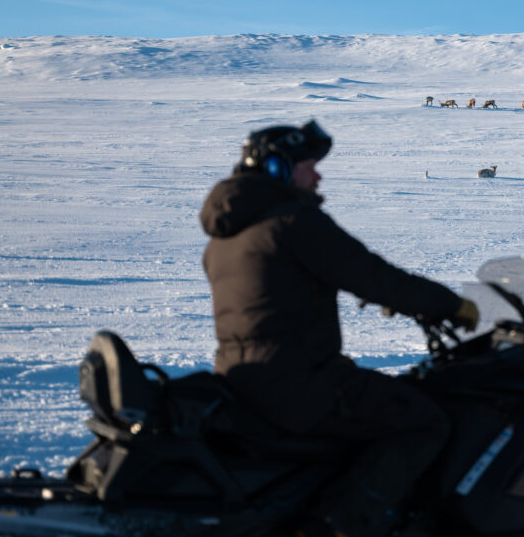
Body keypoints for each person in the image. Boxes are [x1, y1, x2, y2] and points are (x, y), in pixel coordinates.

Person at [199, 120, 479, 537]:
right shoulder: (292, 222)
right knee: (424, 420)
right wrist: (452, 306)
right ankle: (338, 526)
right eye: (308, 166)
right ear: (277, 169)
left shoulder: (225, 238)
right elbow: (372, 275)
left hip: (244, 382)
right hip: (301, 383)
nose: (318, 175)